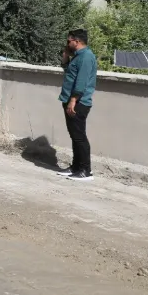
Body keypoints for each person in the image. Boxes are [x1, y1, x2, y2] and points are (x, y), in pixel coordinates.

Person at [59, 28, 98, 181]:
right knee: (75, 136)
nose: (67, 44)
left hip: (78, 103)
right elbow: (69, 73)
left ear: (77, 41)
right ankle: (76, 167)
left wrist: (73, 100)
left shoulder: (86, 57)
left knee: (79, 136)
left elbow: (81, 82)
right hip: (70, 100)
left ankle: (86, 171)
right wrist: (65, 58)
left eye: (69, 41)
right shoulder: (77, 56)